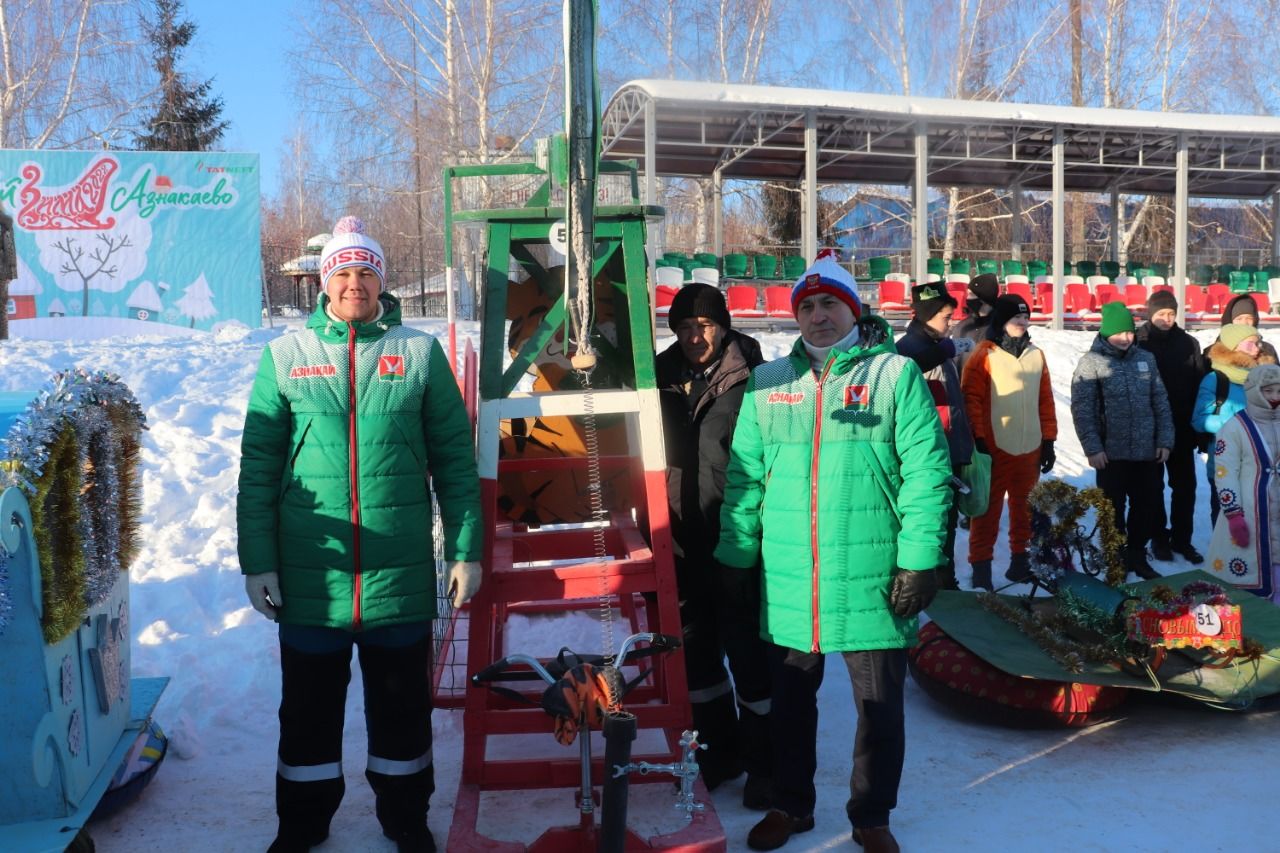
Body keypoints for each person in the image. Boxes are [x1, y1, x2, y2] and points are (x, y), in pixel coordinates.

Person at [237, 216, 482, 853]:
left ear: (381, 281)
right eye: (342, 272)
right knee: (308, 713)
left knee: (402, 713)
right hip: (312, 573)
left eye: (365, 272)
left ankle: (405, 818)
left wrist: (464, 549)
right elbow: (259, 467)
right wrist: (258, 562)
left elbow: (455, 461)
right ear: (325, 282)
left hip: (395, 571)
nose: (354, 284)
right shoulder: (286, 356)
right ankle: (302, 823)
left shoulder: (419, 353)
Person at [714, 256, 951, 853]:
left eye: (830, 304)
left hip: (873, 572)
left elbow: (927, 472)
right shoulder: (768, 383)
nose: (818, 316)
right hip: (792, 575)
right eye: (807, 306)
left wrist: (920, 559)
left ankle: (872, 815)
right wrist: (736, 558)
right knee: (790, 705)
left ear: (853, 308)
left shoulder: (895, 375)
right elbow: (745, 479)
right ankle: (790, 806)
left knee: (879, 709)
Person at [654, 283, 772, 809]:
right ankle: (719, 753)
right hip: (679, 538)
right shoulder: (658, 375)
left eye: (702, 325)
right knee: (697, 657)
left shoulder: (757, 378)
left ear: (722, 325)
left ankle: (766, 762)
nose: (692, 335)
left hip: (740, 537)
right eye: (682, 326)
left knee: (749, 655)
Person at [1071, 303, 1175, 580]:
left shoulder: (1146, 359)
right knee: (1112, 509)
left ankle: (1137, 555)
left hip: (1146, 452)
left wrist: (1164, 439)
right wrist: (1093, 448)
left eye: (1130, 332)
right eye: (1120, 333)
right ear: (1106, 333)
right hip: (1111, 454)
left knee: (1147, 506)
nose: (1127, 338)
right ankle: (1115, 556)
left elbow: (1160, 401)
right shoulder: (1091, 362)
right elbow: (1083, 410)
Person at [960, 294, 1057, 589]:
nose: (1022, 322)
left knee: (1025, 508)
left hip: (1029, 447)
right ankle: (981, 569)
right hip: (994, 447)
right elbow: (970, 400)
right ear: (1001, 321)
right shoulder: (983, 355)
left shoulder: (1036, 355)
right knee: (987, 512)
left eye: (1025, 317)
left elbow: (1045, 400)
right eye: (1016, 317)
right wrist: (978, 438)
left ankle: (1020, 563)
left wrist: (1049, 440)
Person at [895, 282, 976, 590]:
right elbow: (910, 365)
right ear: (927, 315)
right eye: (945, 315)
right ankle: (936, 584)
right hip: (928, 454)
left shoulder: (939, 346)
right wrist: (947, 349)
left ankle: (946, 581)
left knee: (948, 524)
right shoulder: (909, 347)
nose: (951, 322)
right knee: (935, 523)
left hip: (950, 450)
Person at [1135, 290, 1208, 564]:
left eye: (1171, 314)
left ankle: (1182, 539)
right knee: (1153, 487)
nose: (1166, 319)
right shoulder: (1138, 342)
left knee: (1185, 487)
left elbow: (1200, 386)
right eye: (1161, 313)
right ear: (1150, 313)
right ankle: (1159, 538)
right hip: (1150, 430)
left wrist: (1199, 429)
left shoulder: (1189, 343)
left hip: (1181, 428)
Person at [1206, 363, 1280, 602]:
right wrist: (1233, 514)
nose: (1275, 397)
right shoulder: (1235, 427)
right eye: (1268, 391)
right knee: (1251, 563)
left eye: (1279, 391)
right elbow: (1225, 472)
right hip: (1250, 509)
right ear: (1254, 390)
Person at [1192, 324, 1277, 527]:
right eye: (1250, 344)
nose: (1257, 348)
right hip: (1227, 463)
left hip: (1263, 463)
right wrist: (1239, 426)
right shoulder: (1216, 380)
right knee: (1227, 520)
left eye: (1257, 343)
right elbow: (1199, 420)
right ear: (1233, 347)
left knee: (1261, 520)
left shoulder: (1266, 377)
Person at [951, 272, 999, 375]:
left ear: (984, 298)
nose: (967, 298)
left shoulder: (1000, 326)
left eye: (971, 294)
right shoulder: (962, 327)